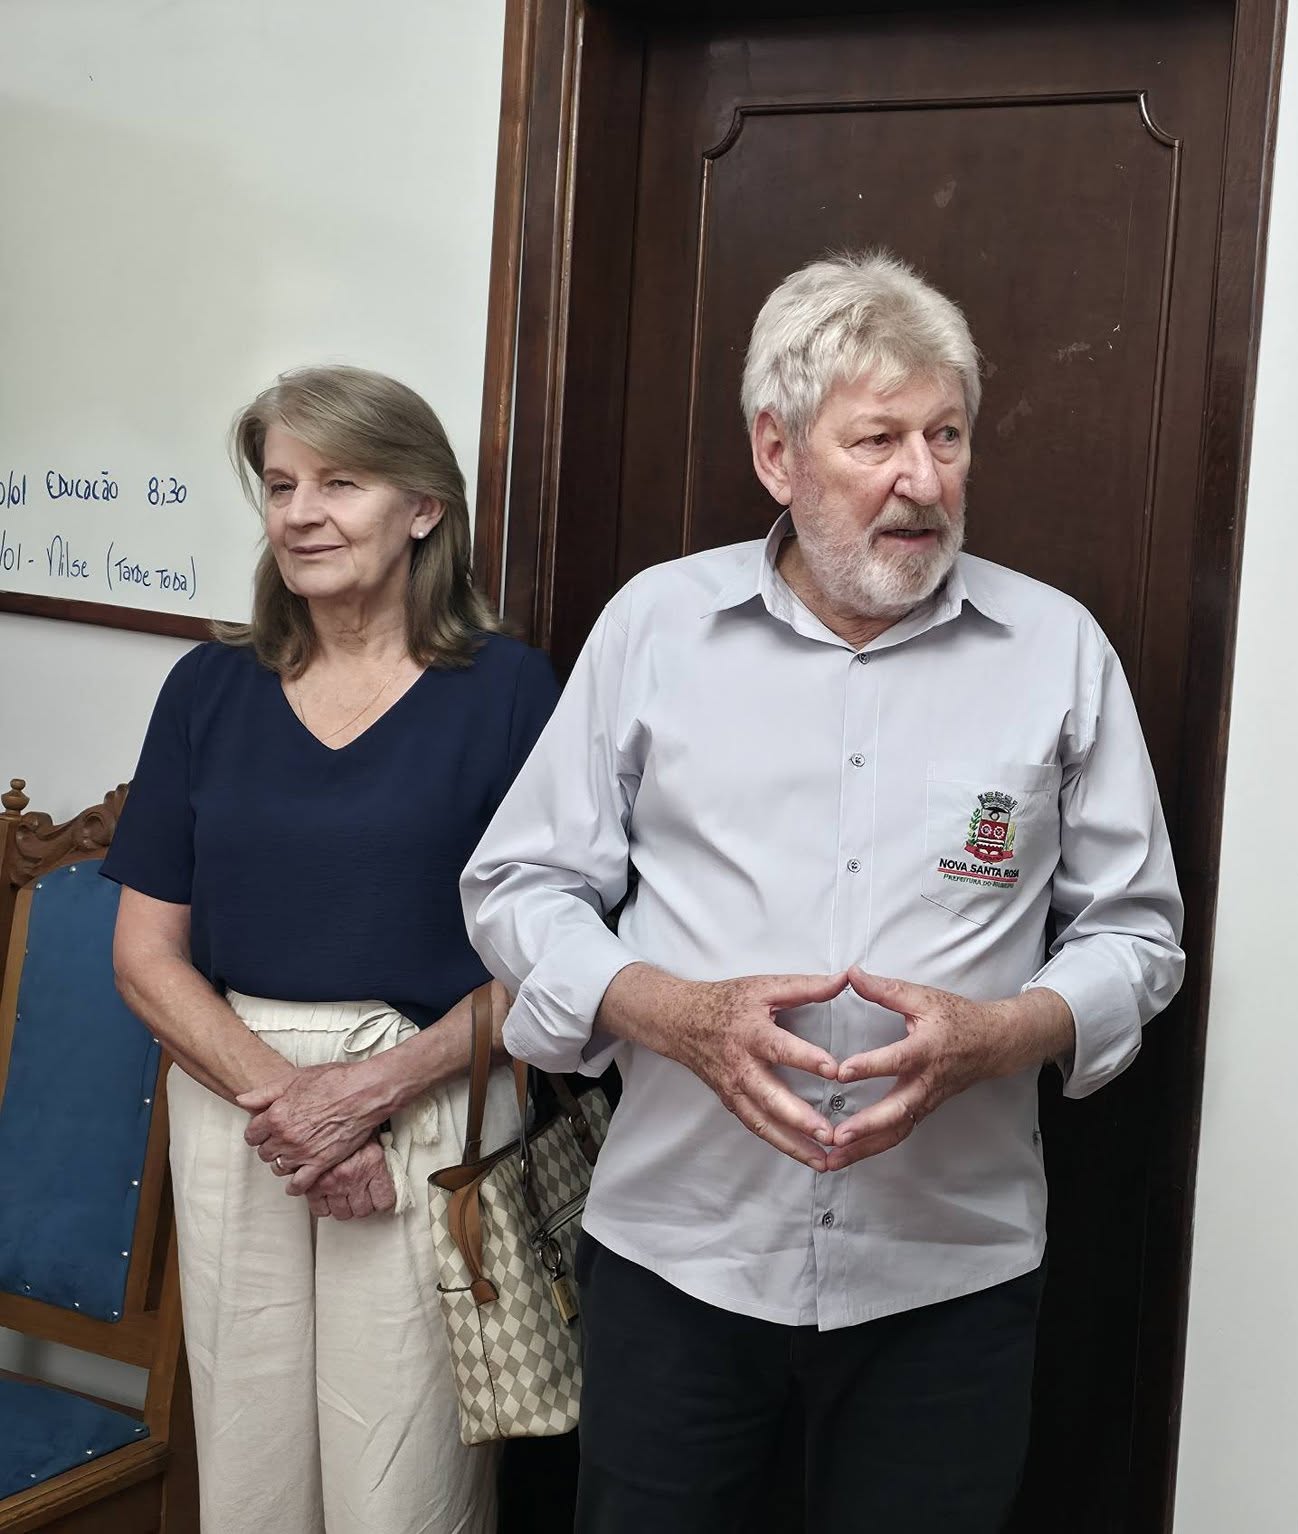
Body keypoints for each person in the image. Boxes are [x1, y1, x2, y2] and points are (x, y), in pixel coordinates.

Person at [462, 249, 1185, 1531]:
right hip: (680, 1257)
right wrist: (669, 1012)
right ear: (776, 453)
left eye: (946, 436)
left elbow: (1135, 934)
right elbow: (518, 885)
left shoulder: (1056, 649)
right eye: (878, 440)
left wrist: (1004, 1033)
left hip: (946, 1276)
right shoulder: (655, 627)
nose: (925, 479)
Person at [103, 365, 559, 1534]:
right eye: (280, 485)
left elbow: (549, 963)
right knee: (250, 1473)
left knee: (402, 1484)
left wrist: (364, 1095)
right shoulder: (208, 687)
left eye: (340, 483)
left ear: (425, 507)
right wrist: (296, 1106)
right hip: (238, 1105)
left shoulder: (509, 691)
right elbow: (145, 954)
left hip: (431, 1103)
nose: (300, 513)